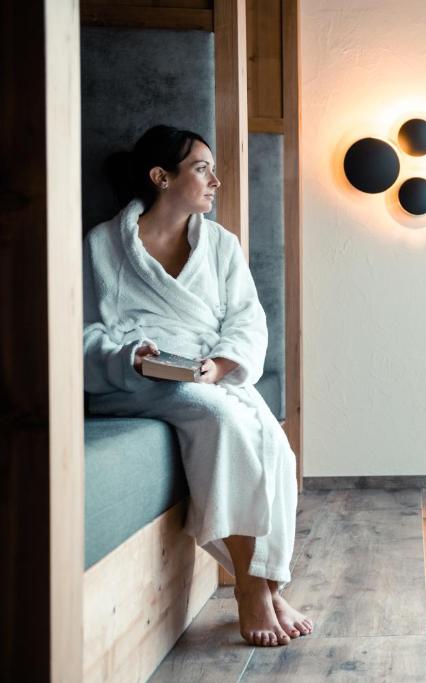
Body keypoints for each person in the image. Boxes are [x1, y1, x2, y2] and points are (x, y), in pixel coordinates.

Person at [83, 124, 312, 647]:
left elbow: (247, 320)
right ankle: (251, 590)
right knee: (220, 418)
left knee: (275, 446)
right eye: (202, 169)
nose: (215, 181)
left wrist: (220, 364)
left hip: (207, 371)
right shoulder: (101, 245)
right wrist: (130, 357)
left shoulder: (220, 243)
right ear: (161, 177)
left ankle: (269, 583)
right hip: (133, 380)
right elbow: (82, 329)